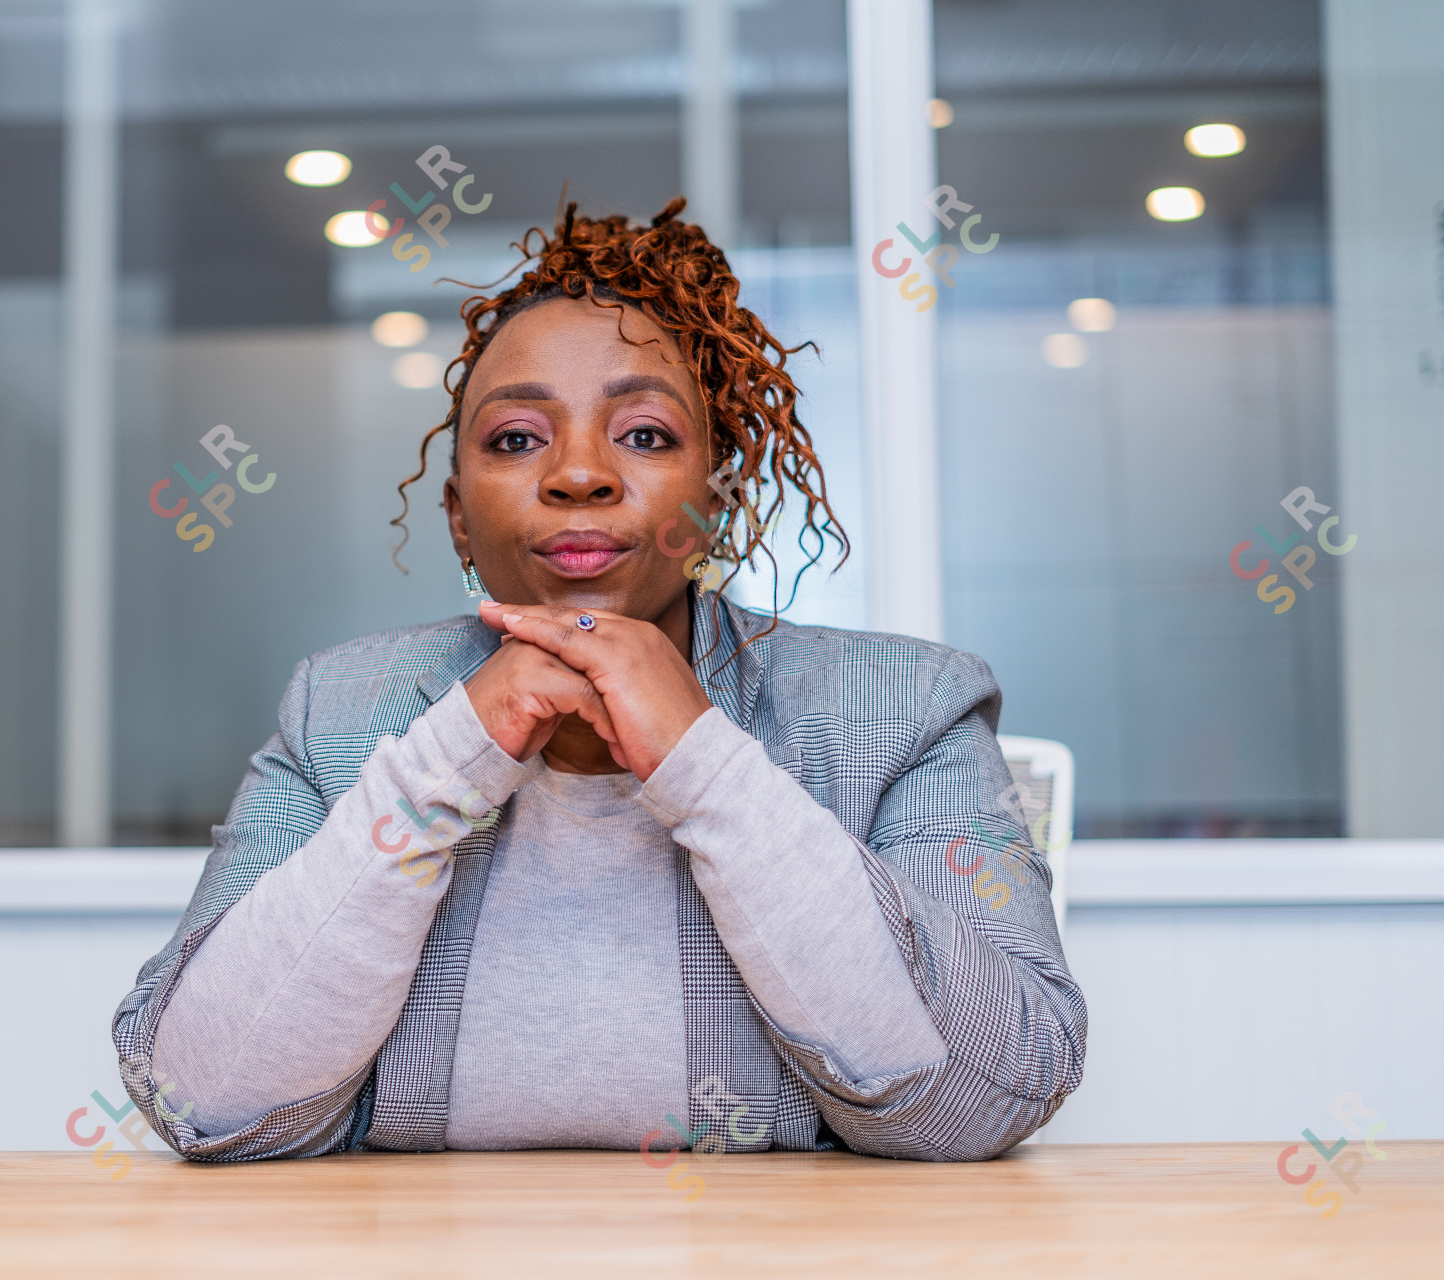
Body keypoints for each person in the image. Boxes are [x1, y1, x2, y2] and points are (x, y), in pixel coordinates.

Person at [111, 198, 1086, 1163]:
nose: (580, 473)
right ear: (458, 515)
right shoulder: (345, 709)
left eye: (646, 434)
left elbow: (988, 1094)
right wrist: (453, 755)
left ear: (720, 496)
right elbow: (203, 1102)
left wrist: (705, 764)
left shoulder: (908, 708)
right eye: (517, 438)